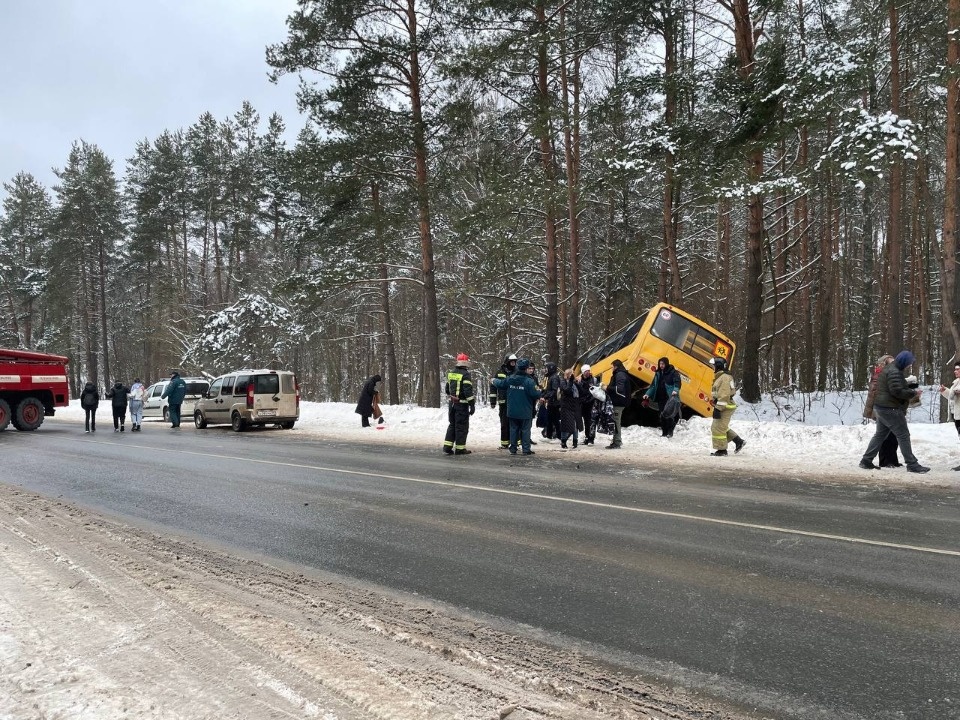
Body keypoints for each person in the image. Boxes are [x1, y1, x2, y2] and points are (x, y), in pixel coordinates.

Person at [859, 350, 929, 473]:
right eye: (909, 363)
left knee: (880, 434)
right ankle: (912, 464)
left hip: (881, 407)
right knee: (903, 435)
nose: (909, 365)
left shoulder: (890, 369)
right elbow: (896, 391)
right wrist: (913, 393)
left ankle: (866, 460)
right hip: (890, 408)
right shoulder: (894, 371)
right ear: (904, 361)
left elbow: (894, 387)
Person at [863, 355, 901, 467]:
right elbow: (876, 391)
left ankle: (893, 460)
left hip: (891, 408)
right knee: (885, 435)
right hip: (882, 408)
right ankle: (885, 461)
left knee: (893, 435)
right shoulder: (879, 375)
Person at [709, 357, 745, 456]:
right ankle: (738, 441)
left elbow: (724, 395)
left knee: (717, 428)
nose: (713, 367)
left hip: (724, 407)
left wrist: (718, 408)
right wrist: (716, 400)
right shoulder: (723, 377)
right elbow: (730, 392)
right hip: (725, 405)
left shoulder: (723, 378)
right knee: (720, 427)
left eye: (714, 366)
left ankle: (722, 450)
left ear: (718, 366)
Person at [505, 358, 541, 455]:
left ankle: (513, 448)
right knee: (525, 430)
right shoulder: (529, 381)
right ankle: (526, 449)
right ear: (525, 369)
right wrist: (540, 391)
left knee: (513, 429)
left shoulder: (510, 379)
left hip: (512, 410)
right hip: (525, 411)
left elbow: (501, 384)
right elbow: (536, 394)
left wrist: (494, 380)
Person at [443, 353, 475, 455]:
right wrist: (472, 404)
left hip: (452, 404)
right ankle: (460, 448)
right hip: (461, 405)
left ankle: (447, 447)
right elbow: (467, 391)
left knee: (452, 425)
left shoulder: (451, 373)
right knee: (461, 427)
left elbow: (447, 390)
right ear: (466, 363)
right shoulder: (465, 374)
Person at [643, 357, 681, 438]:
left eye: (663, 364)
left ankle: (670, 432)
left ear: (666, 364)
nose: (661, 365)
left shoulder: (673, 372)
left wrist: (675, 390)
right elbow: (653, 385)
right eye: (660, 364)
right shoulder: (658, 373)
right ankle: (664, 432)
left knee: (669, 415)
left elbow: (677, 383)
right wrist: (647, 394)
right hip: (660, 397)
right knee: (662, 415)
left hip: (669, 397)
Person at [491, 353, 518, 449]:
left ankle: (515, 443)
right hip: (504, 402)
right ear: (507, 362)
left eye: (515, 361)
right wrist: (492, 401)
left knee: (515, 423)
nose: (513, 363)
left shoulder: (517, 372)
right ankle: (505, 443)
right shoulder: (499, 373)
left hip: (515, 403)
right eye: (511, 361)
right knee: (504, 424)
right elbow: (493, 387)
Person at [605, 359, 630, 449]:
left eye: (612, 367)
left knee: (616, 421)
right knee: (615, 421)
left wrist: (607, 388)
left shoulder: (620, 374)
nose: (611, 369)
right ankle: (616, 441)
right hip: (619, 401)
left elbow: (619, 389)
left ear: (616, 366)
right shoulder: (620, 373)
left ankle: (617, 442)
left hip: (619, 402)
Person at [940, 363, 960, 471]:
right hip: (957, 415)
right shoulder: (956, 383)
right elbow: (952, 398)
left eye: (958, 369)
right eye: (955, 369)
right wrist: (945, 391)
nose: (955, 371)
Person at [558, 368, 580, 449]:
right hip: (566, 406)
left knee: (575, 425)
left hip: (575, 405)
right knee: (566, 425)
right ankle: (563, 440)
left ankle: (575, 441)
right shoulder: (563, 382)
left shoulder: (574, 383)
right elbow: (567, 390)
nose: (572, 375)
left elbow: (581, 391)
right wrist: (571, 381)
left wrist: (579, 382)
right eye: (571, 374)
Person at [576, 364, 598, 445]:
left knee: (590, 421)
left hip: (591, 403)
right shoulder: (579, 380)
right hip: (582, 403)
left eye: (589, 371)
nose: (588, 372)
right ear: (583, 372)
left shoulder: (594, 380)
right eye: (586, 371)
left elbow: (597, 391)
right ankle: (586, 437)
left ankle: (591, 439)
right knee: (582, 421)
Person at [541, 362, 562, 441]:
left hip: (554, 403)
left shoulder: (554, 378)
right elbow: (548, 389)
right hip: (551, 401)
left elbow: (554, 390)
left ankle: (558, 436)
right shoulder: (550, 377)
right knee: (550, 419)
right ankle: (549, 436)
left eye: (547, 368)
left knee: (554, 420)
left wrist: (546, 396)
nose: (545, 370)